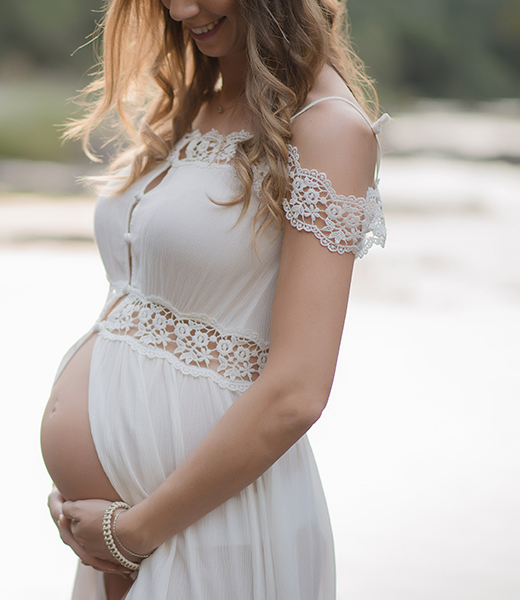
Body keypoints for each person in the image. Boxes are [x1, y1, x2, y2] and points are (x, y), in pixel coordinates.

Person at [39, 0, 387, 598]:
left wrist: (135, 530)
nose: (181, 10)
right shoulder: (194, 100)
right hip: (124, 536)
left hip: (209, 527)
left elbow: (297, 392)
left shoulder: (328, 129)